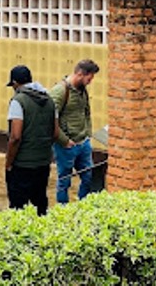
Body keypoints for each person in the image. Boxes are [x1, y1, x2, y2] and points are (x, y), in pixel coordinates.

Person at [5, 64, 60, 216]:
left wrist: (9, 163)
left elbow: (15, 137)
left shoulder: (18, 101)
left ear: (15, 83)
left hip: (22, 164)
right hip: (43, 163)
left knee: (18, 207)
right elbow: (55, 133)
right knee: (40, 202)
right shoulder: (49, 100)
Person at [49, 58, 100, 203]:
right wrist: (64, 141)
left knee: (88, 176)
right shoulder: (60, 91)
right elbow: (50, 118)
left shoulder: (82, 90)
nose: (90, 81)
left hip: (83, 142)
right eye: (89, 78)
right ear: (80, 74)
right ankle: (64, 212)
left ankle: (82, 206)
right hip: (66, 146)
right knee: (64, 182)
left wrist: (87, 134)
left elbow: (86, 112)